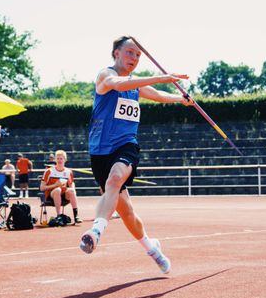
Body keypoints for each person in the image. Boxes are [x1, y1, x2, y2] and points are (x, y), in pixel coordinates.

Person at [79, 36, 194, 274]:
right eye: (130, 53)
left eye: (138, 55)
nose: (134, 58)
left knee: (115, 178)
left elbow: (160, 96)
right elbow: (118, 84)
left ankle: (96, 231)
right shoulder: (105, 75)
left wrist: (181, 100)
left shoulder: (136, 85)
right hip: (100, 150)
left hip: (126, 146)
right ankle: (153, 248)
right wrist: (164, 77)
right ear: (116, 53)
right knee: (127, 212)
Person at [40, 150, 81, 224]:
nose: (59, 160)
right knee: (57, 190)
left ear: (65, 160)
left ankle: (76, 216)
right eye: (58, 158)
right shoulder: (49, 171)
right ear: (55, 159)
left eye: (61, 158)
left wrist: (73, 189)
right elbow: (42, 188)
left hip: (63, 194)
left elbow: (72, 184)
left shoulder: (68, 172)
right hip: (51, 194)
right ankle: (59, 215)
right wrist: (55, 185)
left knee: (71, 191)